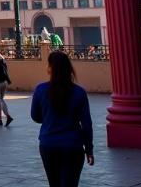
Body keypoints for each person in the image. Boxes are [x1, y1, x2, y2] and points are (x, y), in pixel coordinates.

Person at [31, 50, 94, 187]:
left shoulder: (40, 90)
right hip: (73, 145)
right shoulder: (79, 92)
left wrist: (49, 118)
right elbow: (87, 124)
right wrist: (89, 149)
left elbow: (35, 116)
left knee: (54, 183)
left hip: (49, 144)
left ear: (49, 68)